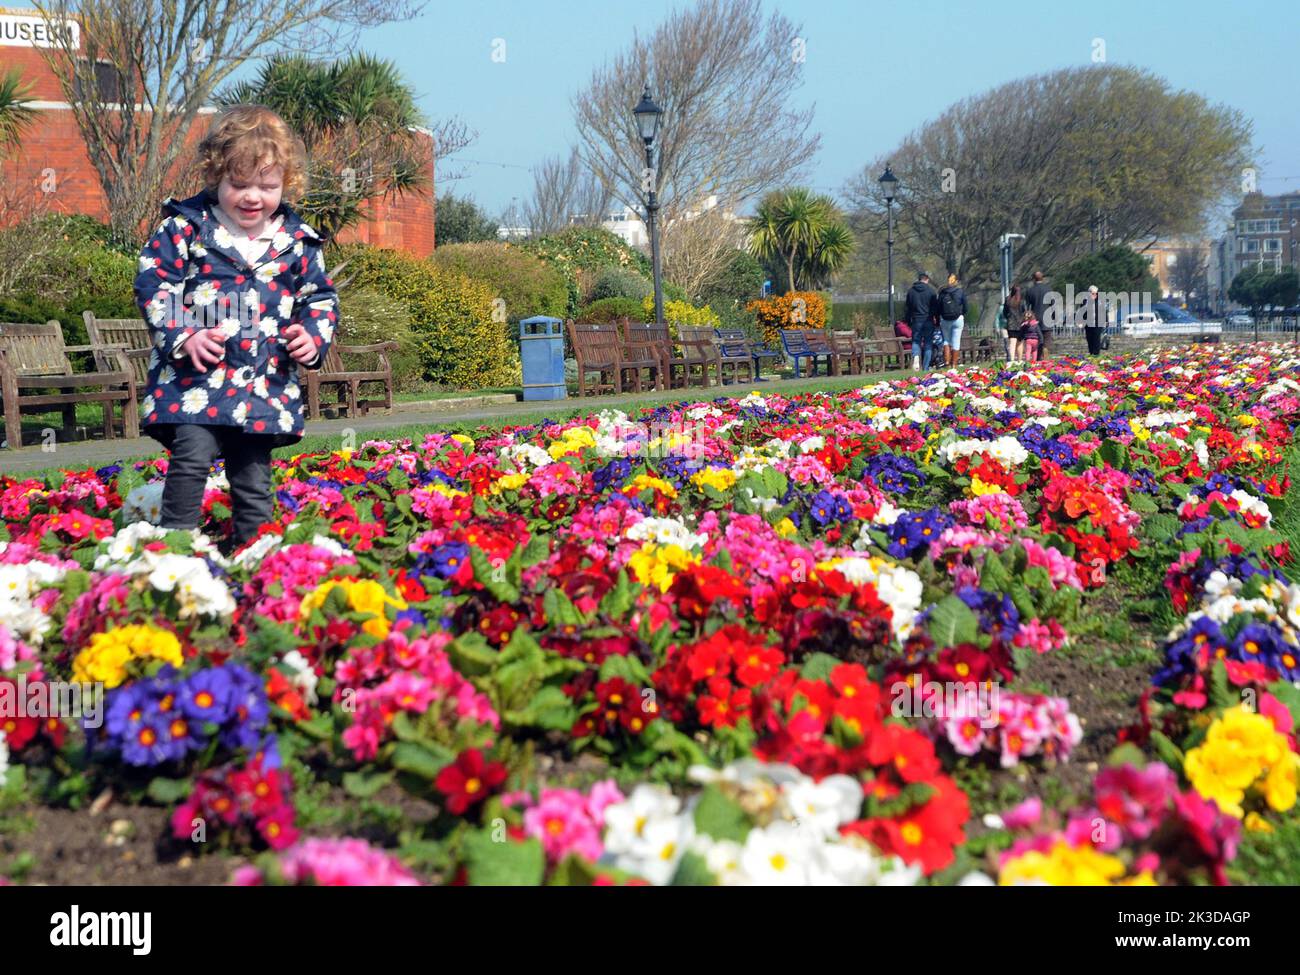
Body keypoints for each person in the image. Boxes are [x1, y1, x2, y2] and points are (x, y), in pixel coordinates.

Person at [135, 104, 338, 552]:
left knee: (253, 475)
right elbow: (154, 281)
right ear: (215, 176)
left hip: (261, 385)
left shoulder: (298, 242)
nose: (252, 197)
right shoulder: (187, 228)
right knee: (191, 459)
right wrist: (184, 333)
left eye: (267, 186)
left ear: (286, 184)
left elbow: (319, 297)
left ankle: (253, 553)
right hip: (195, 382)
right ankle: (175, 549)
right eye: (238, 184)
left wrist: (312, 334)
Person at [905, 271, 939, 370]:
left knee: (916, 341)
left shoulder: (911, 291)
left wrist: (908, 320)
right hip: (928, 320)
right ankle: (925, 367)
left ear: (919, 279)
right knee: (928, 343)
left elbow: (907, 307)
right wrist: (936, 320)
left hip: (916, 320)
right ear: (927, 279)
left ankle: (916, 356)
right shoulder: (931, 291)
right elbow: (935, 308)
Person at [936, 273, 967, 368]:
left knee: (946, 340)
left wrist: (939, 318)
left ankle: (946, 362)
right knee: (956, 341)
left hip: (945, 319)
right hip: (958, 318)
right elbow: (966, 306)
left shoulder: (942, 292)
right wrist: (962, 313)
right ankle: (954, 364)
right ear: (956, 281)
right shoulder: (960, 292)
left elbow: (938, 307)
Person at [1024, 271, 1052, 361]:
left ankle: (1038, 357)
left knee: (1036, 338)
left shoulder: (1030, 291)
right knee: (1047, 337)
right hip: (1047, 317)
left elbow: (1027, 307)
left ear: (1033, 279)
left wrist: (1027, 319)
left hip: (1034, 318)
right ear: (1042, 278)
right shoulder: (1048, 290)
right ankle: (1046, 352)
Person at [1002, 285, 1026, 362]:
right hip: (1020, 324)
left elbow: (1005, 312)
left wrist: (1008, 318)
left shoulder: (1007, 300)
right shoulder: (1022, 301)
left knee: (1012, 343)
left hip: (1011, 324)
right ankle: (1019, 360)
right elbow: (1024, 311)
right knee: (1020, 343)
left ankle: (1011, 361)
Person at [1081, 284, 1106, 356]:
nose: (1095, 295)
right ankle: (1091, 353)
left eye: (1096, 293)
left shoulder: (1100, 301)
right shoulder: (1085, 301)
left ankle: (1096, 354)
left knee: (1096, 338)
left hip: (1098, 323)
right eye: (1093, 293)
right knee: (1089, 339)